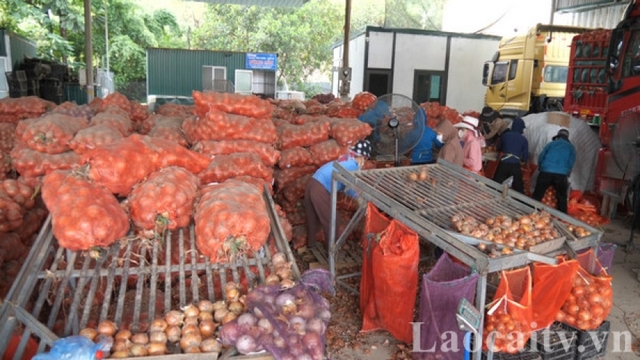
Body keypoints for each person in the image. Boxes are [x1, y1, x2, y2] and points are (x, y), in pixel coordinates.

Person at [304, 139, 371, 252]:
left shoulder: (345, 160)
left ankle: (311, 245)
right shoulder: (353, 165)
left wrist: (355, 195)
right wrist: (358, 196)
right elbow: (348, 186)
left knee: (312, 217)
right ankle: (331, 251)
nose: (364, 162)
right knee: (333, 220)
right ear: (362, 157)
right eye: (365, 159)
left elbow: (343, 184)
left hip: (311, 183)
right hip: (320, 188)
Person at [532, 129, 576, 213]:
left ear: (558, 136)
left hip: (546, 171)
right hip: (561, 174)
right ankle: (562, 216)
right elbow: (571, 162)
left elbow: (541, 157)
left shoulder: (551, 144)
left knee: (538, 194)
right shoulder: (570, 147)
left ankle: (531, 211)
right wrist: (567, 172)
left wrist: (541, 167)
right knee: (562, 196)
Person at [493, 117, 529, 193]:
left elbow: (498, 148)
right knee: (518, 186)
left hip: (504, 162)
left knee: (496, 183)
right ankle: (520, 202)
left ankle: (491, 197)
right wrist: (523, 160)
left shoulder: (505, 135)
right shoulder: (523, 139)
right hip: (515, 164)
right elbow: (525, 156)